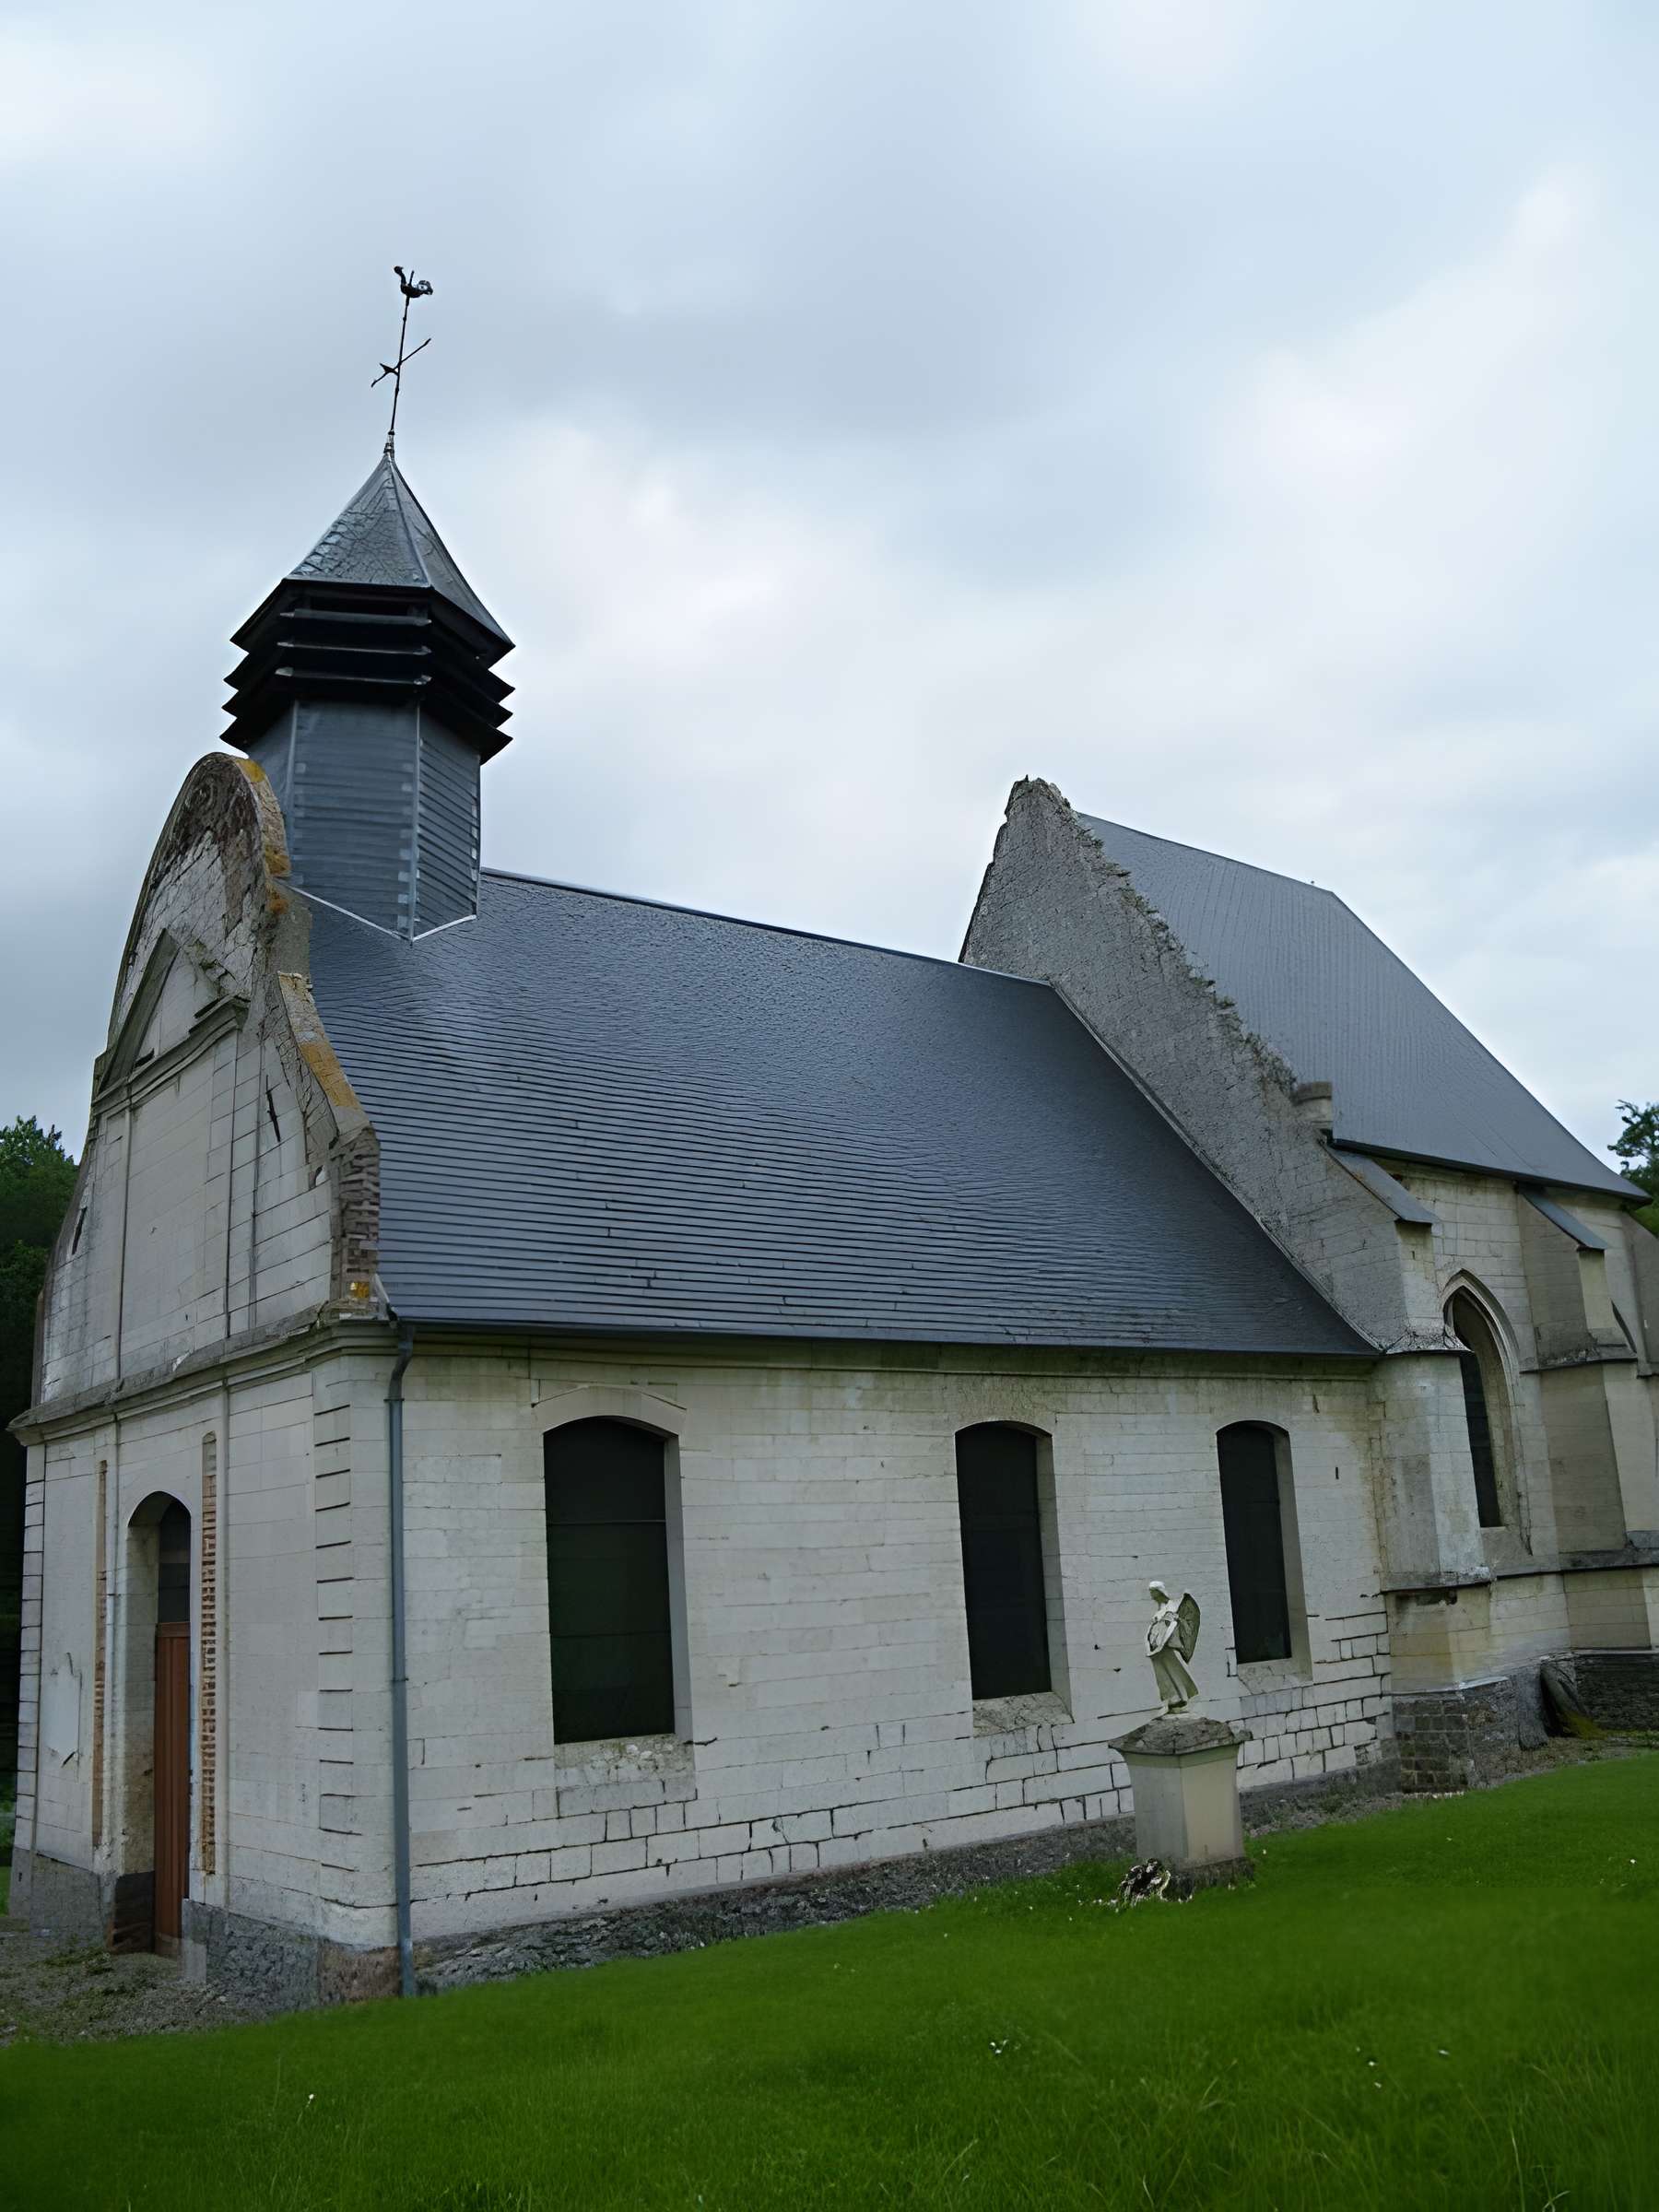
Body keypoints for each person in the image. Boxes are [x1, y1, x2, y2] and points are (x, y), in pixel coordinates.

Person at [1146, 1579, 1200, 1712]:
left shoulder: (1172, 1605)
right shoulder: (1158, 1611)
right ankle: (1172, 1697)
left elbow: (1177, 1619)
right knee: (1162, 1672)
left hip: (1169, 1644)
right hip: (1158, 1647)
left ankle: (1183, 1696)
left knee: (1176, 1668)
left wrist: (1173, 1619)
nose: (1150, 1594)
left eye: (1152, 1591)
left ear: (1158, 1592)